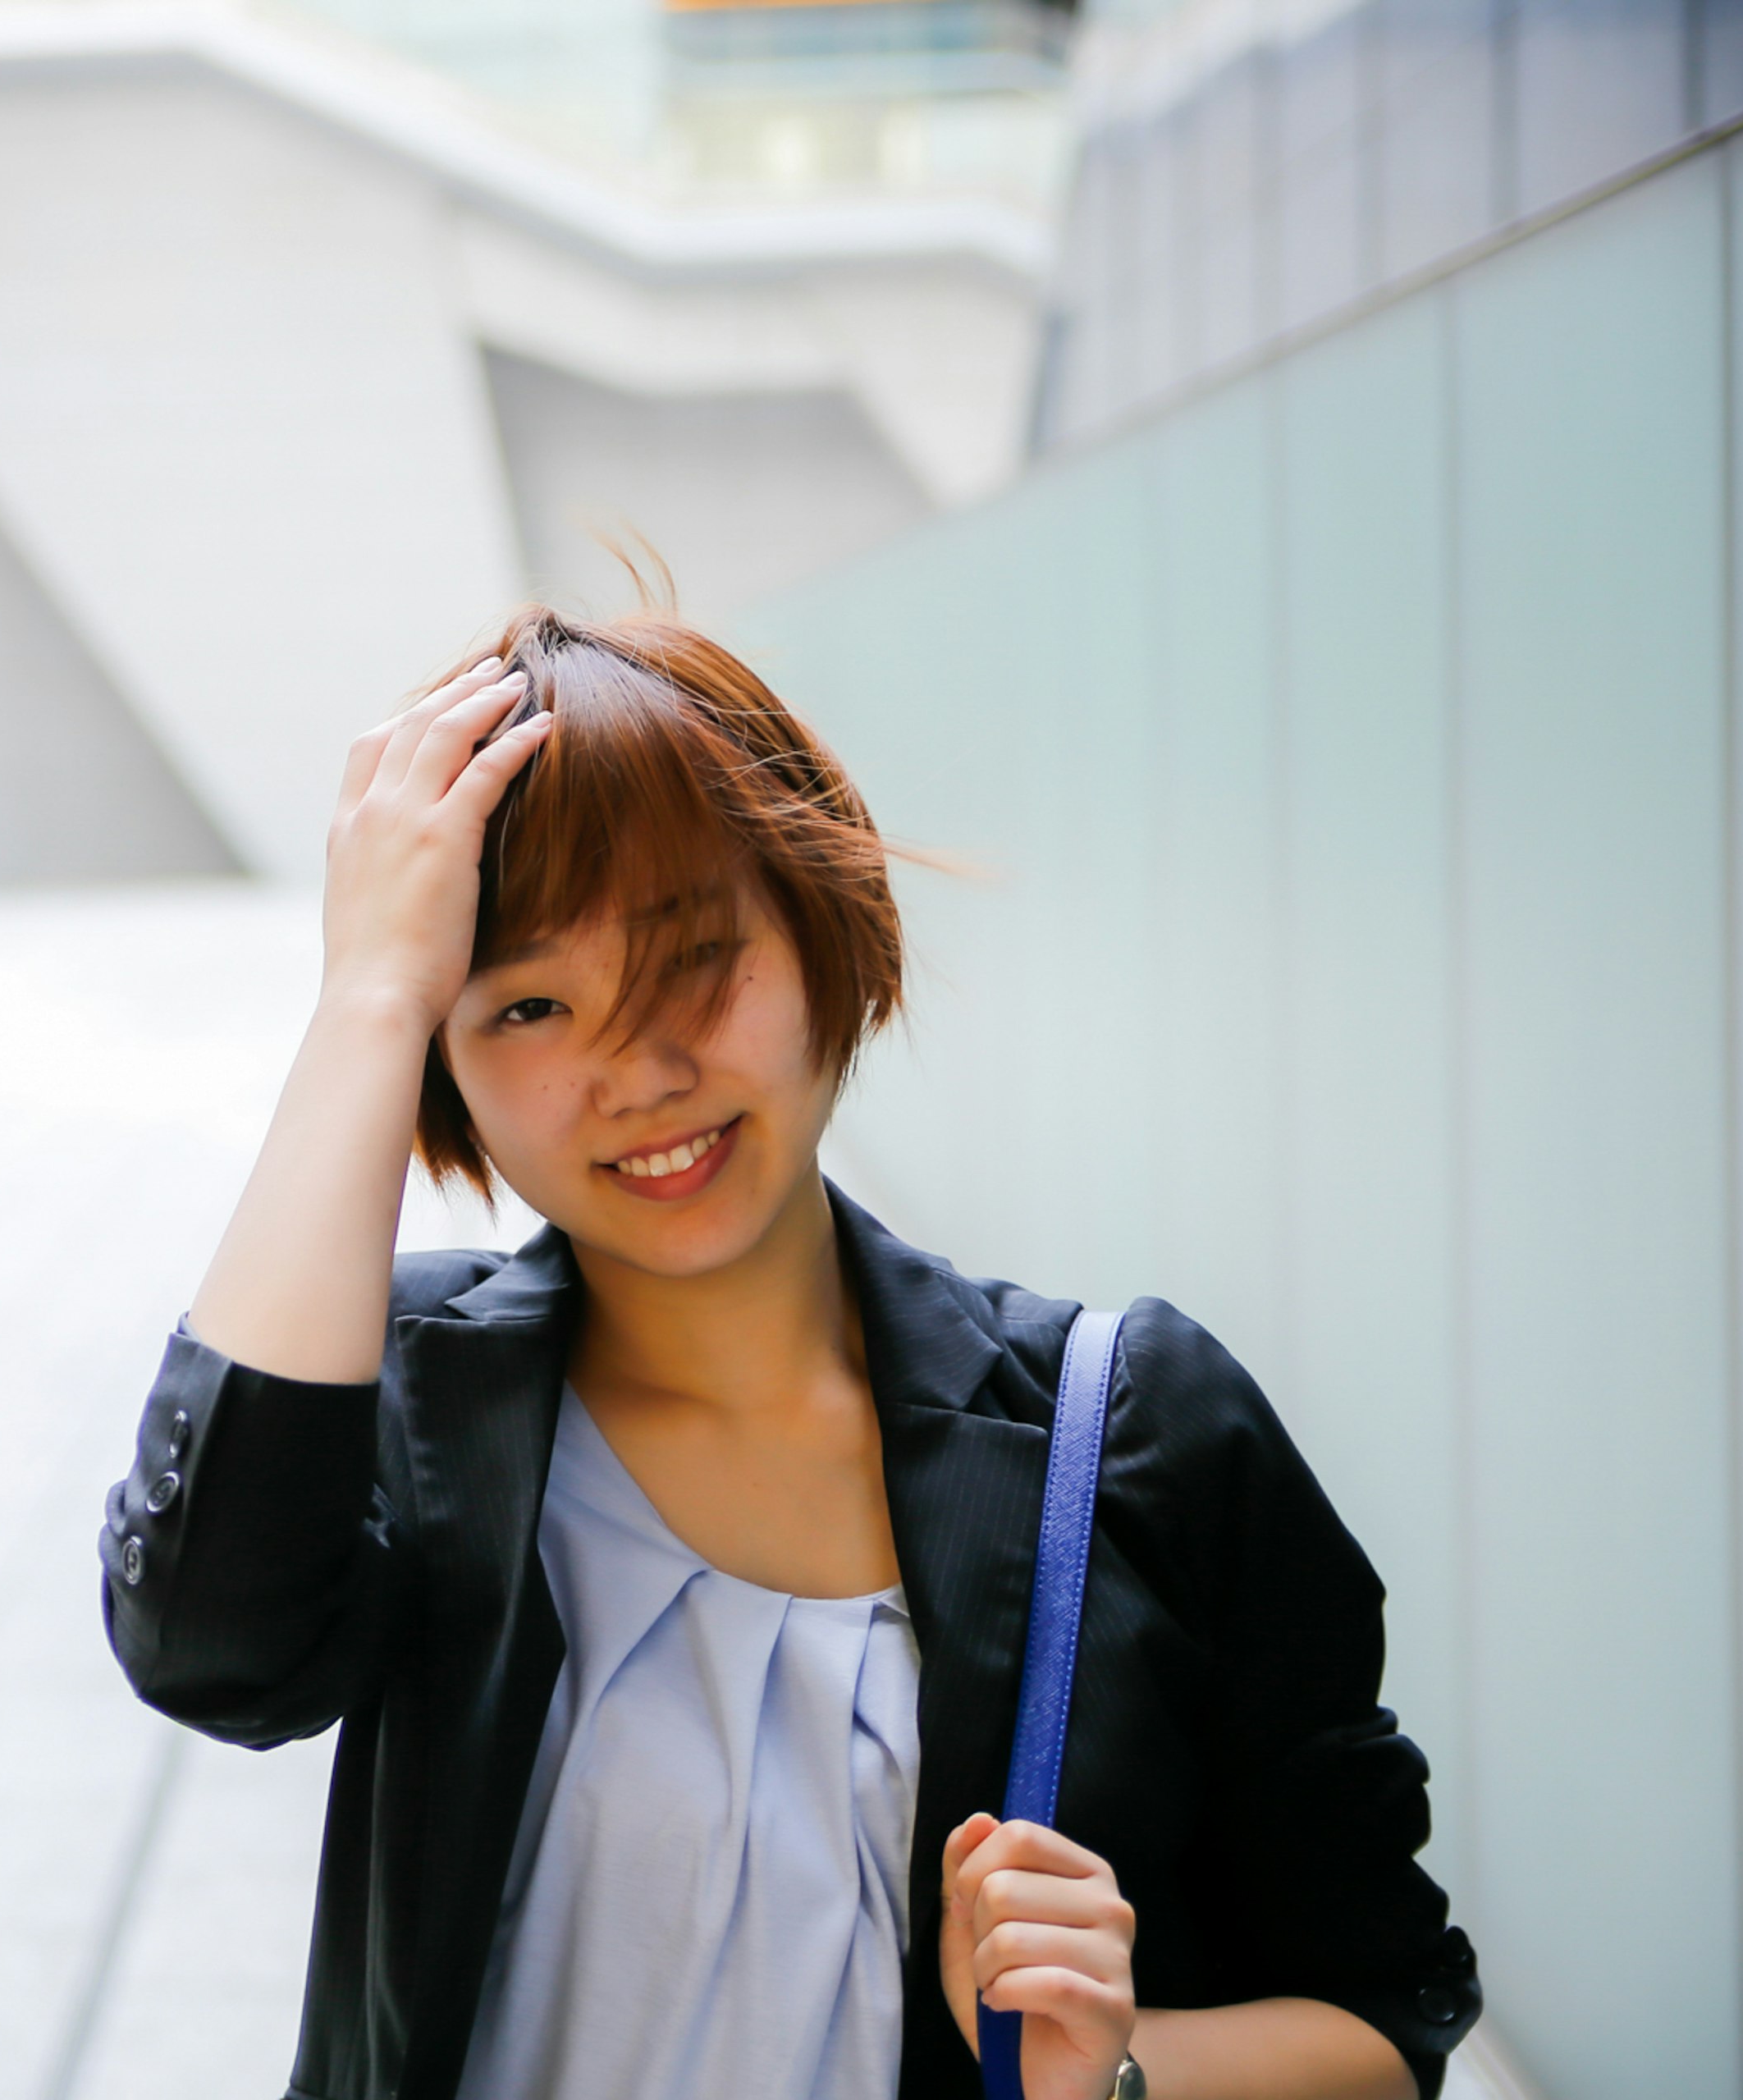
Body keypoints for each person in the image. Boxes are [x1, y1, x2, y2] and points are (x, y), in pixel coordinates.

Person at [96, 608, 1480, 2100]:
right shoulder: (420, 1403)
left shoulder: (1135, 1434)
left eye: (696, 955)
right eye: (532, 1006)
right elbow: (211, 1653)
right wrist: (367, 993)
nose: (641, 1068)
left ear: (826, 934)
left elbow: (1388, 2021)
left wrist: (1120, 2068)